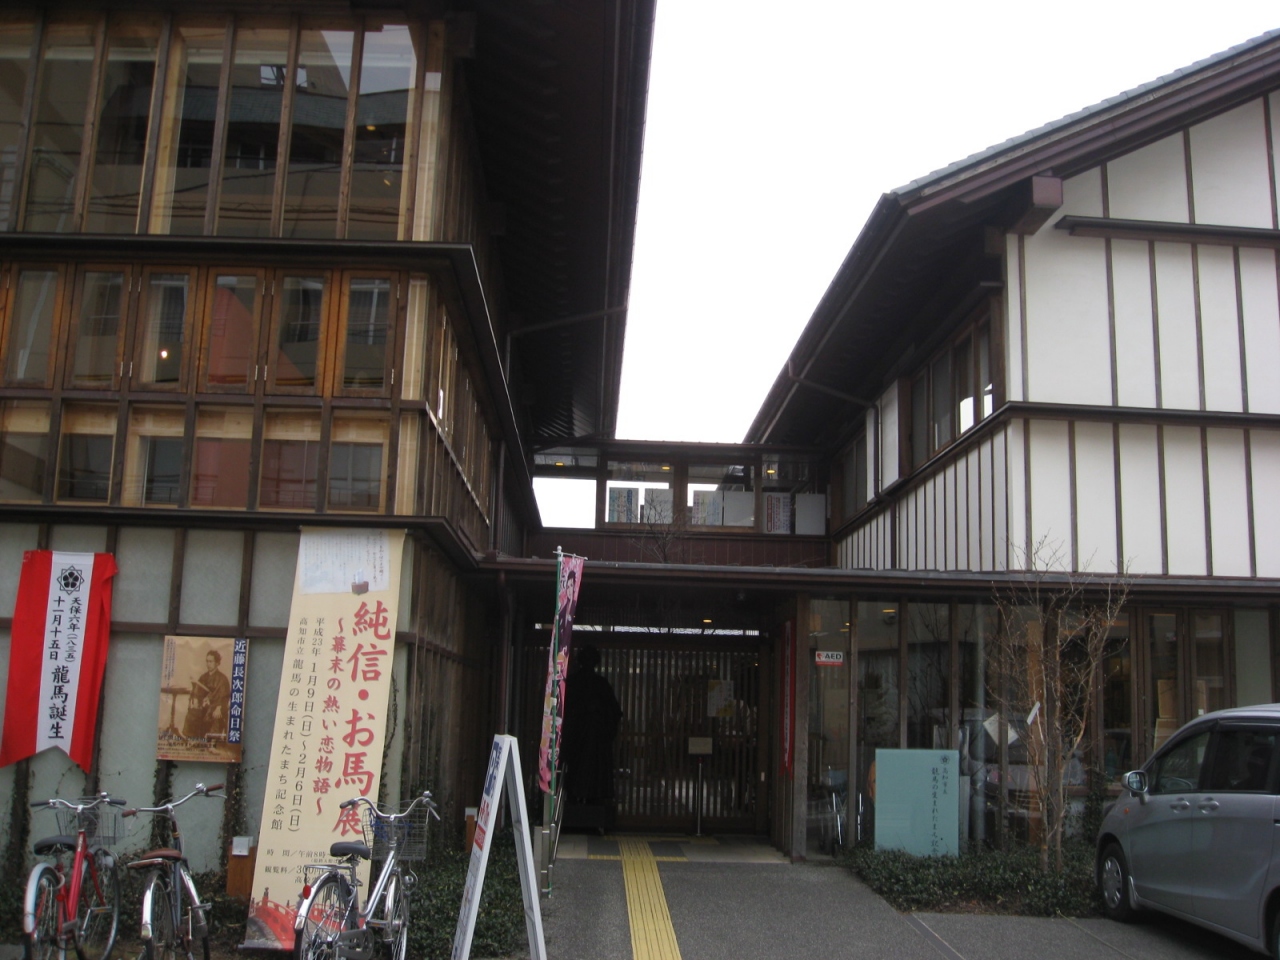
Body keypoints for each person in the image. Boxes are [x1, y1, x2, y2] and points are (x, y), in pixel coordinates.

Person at [560, 644, 622, 805]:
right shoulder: (580, 683)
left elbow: (614, 712)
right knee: (584, 773)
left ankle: (583, 801)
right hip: (582, 739)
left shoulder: (594, 683)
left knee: (587, 773)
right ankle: (582, 801)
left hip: (589, 739)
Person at [184, 650, 231, 739]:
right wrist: (197, 701)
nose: (208, 664)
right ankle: (192, 739)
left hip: (217, 707)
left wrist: (219, 707)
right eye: (207, 661)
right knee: (193, 712)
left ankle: (212, 741)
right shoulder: (203, 677)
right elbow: (197, 693)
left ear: (217, 663)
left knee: (215, 715)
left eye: (211, 661)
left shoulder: (222, 679)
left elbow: (225, 697)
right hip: (204, 707)